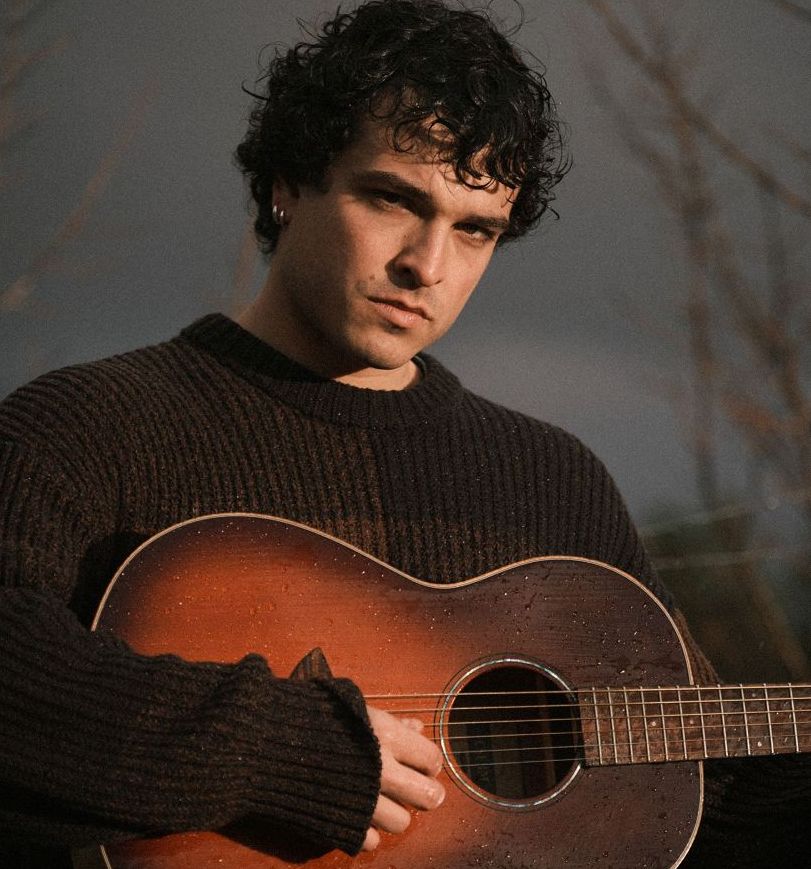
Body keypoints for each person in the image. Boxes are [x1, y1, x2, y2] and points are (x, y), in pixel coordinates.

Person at [0, 1, 808, 867]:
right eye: (391, 198)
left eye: (474, 230)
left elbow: (697, 801)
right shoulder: (84, 427)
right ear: (287, 183)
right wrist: (287, 750)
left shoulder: (553, 481)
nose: (427, 265)